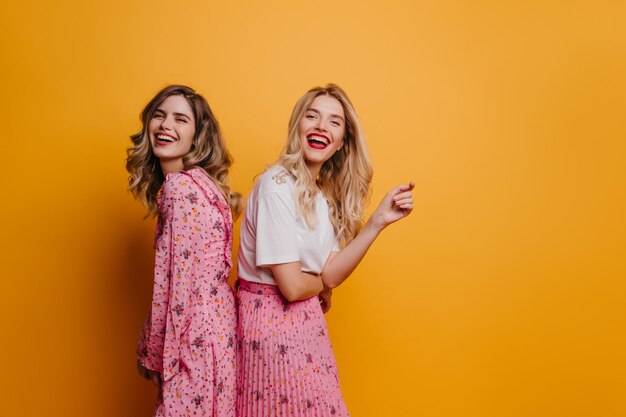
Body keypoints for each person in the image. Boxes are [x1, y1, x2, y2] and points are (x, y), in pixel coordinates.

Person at [236, 84, 414, 416]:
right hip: (270, 328)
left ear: (342, 141)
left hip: (306, 324)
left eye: (334, 122)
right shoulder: (276, 184)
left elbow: (331, 271)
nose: (321, 126)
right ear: (298, 126)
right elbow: (291, 287)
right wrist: (320, 283)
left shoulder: (318, 196)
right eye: (312, 116)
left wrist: (377, 221)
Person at [126, 85, 242, 416]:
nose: (166, 126)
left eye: (180, 119)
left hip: (192, 336)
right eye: (159, 116)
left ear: (197, 136)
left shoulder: (178, 189)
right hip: (218, 331)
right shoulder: (206, 185)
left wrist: (151, 351)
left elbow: (174, 285)